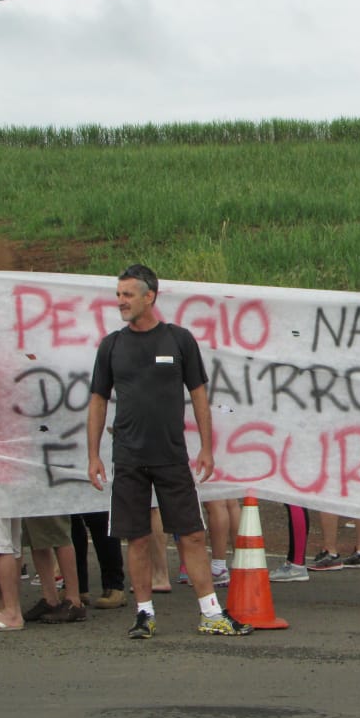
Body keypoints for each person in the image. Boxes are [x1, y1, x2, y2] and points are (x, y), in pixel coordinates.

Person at [86, 263, 252, 637]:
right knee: (139, 537)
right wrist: (93, 454)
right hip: (128, 457)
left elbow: (198, 395)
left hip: (172, 457)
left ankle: (211, 613)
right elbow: (98, 400)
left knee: (192, 534)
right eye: (118, 294)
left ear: (150, 297)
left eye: (128, 295)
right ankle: (144, 614)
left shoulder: (178, 340)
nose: (121, 302)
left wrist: (207, 448)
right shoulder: (111, 344)